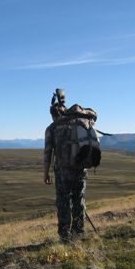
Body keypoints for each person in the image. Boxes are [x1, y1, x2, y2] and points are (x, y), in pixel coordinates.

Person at [44, 103, 87, 242]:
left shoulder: (52, 128)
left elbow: (48, 153)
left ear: (52, 115)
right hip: (80, 170)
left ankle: (65, 235)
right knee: (78, 199)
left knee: (63, 201)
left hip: (62, 172)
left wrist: (46, 173)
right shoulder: (78, 123)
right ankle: (79, 232)